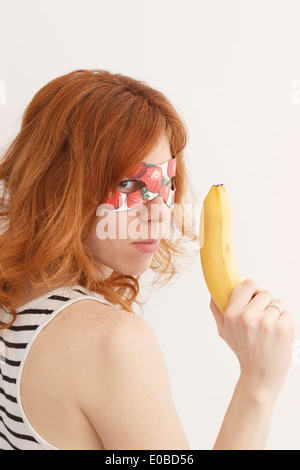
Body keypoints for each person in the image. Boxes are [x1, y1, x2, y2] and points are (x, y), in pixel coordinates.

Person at [0, 69, 294, 450]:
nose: (160, 212)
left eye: (167, 181)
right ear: (59, 184)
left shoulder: (12, 299)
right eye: (128, 184)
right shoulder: (113, 342)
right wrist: (259, 384)